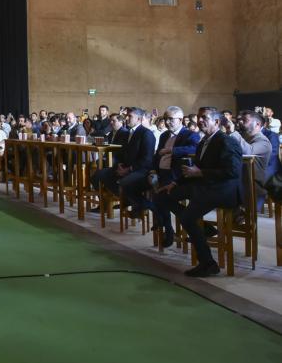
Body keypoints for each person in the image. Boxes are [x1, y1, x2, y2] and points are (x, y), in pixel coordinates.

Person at [155, 107, 243, 277]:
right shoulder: (204, 141)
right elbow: (196, 168)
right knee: (161, 195)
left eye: (205, 118)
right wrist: (174, 183)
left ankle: (208, 263)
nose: (200, 120)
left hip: (223, 190)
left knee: (187, 218)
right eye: (199, 117)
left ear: (217, 122)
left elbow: (233, 171)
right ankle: (205, 228)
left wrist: (201, 173)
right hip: (205, 185)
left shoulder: (226, 141)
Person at [148, 106, 200, 246]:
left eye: (171, 119)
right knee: (143, 187)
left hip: (175, 175)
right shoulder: (165, 135)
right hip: (160, 172)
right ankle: (161, 221)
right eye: (166, 119)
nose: (167, 122)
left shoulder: (189, 134)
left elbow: (195, 148)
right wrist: (153, 170)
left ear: (181, 120)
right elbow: (157, 154)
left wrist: (172, 150)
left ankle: (168, 229)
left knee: (159, 197)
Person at [89, 107, 155, 213]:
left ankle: (147, 205)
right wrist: (120, 164)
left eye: (130, 116)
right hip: (125, 166)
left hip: (140, 169)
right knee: (100, 175)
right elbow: (123, 153)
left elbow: (147, 159)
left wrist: (129, 169)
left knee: (124, 183)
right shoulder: (129, 133)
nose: (127, 119)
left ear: (139, 119)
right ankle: (127, 200)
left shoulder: (146, 133)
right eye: (127, 116)